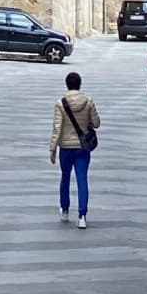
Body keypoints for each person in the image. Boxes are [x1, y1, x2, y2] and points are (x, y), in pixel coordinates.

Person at [50, 71, 101, 225]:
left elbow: (57, 128)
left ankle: (65, 209)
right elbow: (97, 123)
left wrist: (53, 148)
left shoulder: (60, 103)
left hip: (65, 147)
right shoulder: (88, 101)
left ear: (67, 84)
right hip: (82, 148)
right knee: (82, 179)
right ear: (79, 85)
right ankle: (82, 216)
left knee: (65, 177)